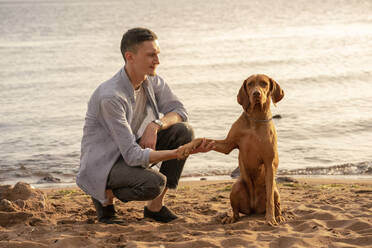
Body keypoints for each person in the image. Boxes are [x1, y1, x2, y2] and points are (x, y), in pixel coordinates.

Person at [76, 27, 212, 224]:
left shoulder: (152, 81)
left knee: (184, 131)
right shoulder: (111, 97)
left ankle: (154, 208)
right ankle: (103, 194)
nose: (158, 61)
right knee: (154, 183)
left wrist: (154, 125)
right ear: (130, 57)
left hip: (129, 150)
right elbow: (132, 156)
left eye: (157, 54)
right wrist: (178, 152)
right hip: (104, 164)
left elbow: (180, 111)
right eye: (151, 55)